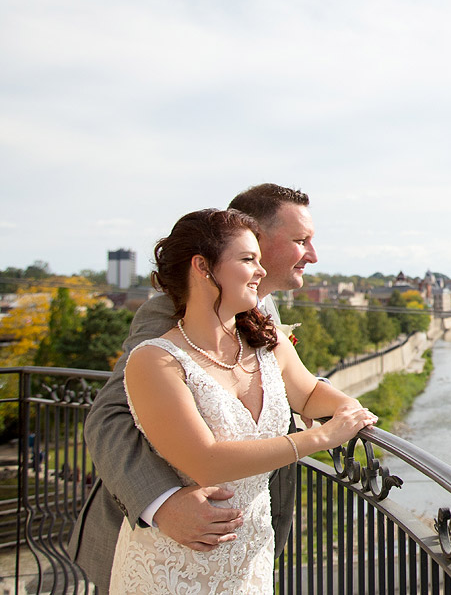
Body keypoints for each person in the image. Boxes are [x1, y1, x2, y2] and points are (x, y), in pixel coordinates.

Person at [105, 208, 376, 593]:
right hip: (175, 564)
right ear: (202, 267)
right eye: (248, 259)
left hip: (250, 556)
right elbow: (207, 461)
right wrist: (321, 438)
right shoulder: (156, 359)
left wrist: (345, 404)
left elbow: (309, 392)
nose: (261, 271)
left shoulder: (266, 340)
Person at [70, 184, 323, 592]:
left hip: (242, 545)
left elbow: (275, 381)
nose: (312, 255)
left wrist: (323, 396)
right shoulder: (170, 314)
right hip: (170, 543)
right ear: (253, 237)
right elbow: (110, 416)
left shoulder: (260, 311)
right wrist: (162, 503)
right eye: (300, 241)